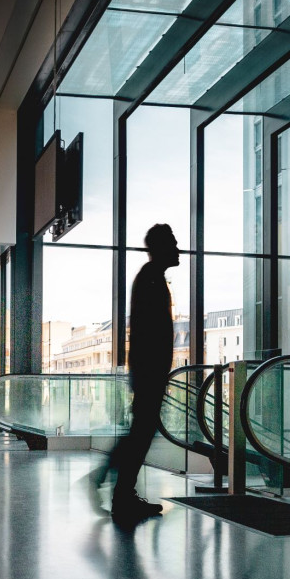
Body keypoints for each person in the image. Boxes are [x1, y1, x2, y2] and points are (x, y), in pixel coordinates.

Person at [101, 223, 178, 521]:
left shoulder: (152, 278)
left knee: (140, 433)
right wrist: (150, 376)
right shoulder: (150, 280)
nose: (178, 249)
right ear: (159, 248)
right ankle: (120, 494)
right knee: (141, 434)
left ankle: (121, 492)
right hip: (149, 374)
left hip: (148, 373)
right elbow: (149, 334)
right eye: (172, 243)